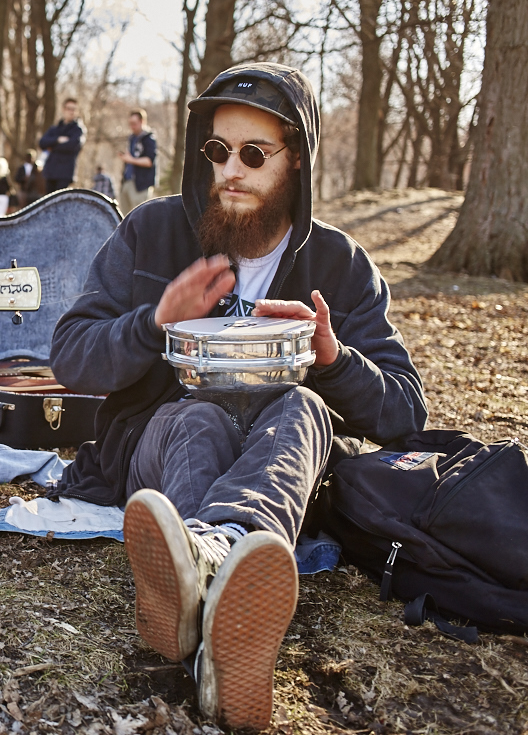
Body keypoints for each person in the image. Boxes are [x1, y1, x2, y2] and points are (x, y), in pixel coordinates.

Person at [49, 63, 427, 729]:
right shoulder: (153, 231)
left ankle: (208, 570)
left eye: (254, 154)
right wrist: (154, 320)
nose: (231, 169)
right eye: (218, 151)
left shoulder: (340, 264)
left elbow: (404, 411)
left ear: (297, 160)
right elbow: (71, 355)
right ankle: (229, 569)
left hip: (277, 459)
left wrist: (331, 359)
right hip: (160, 439)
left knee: (305, 405)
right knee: (198, 417)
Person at [39, 98, 86, 194]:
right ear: (63, 109)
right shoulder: (55, 128)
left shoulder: (78, 129)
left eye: (74, 109)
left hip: (65, 174)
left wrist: (52, 147)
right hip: (50, 172)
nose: (71, 112)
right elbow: (42, 143)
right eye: (69, 109)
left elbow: (73, 146)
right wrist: (58, 140)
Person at [118, 108, 158, 215]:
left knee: (139, 216)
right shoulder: (131, 138)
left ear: (142, 121)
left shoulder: (149, 139)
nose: (132, 126)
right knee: (124, 217)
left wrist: (131, 160)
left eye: (134, 123)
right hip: (127, 181)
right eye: (130, 123)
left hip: (140, 185)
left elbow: (149, 161)